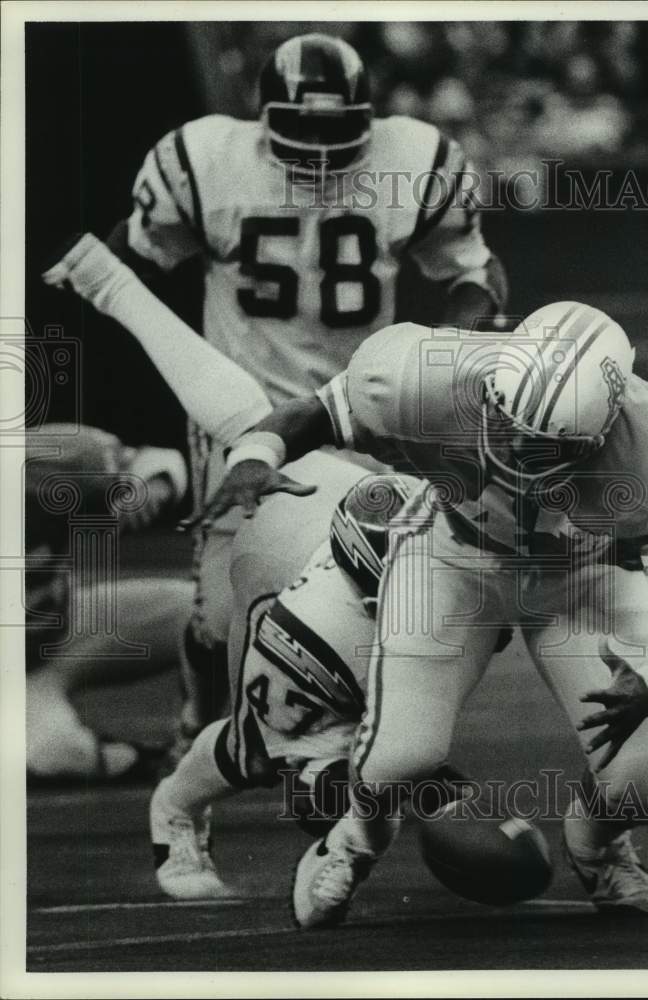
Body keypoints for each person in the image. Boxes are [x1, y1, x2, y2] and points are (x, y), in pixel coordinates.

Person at [44, 245, 648, 923]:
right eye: (505, 423)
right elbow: (315, 410)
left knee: (642, 780)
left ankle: (600, 844)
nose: (515, 449)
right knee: (387, 762)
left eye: (546, 446)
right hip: (457, 559)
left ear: (606, 429)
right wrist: (259, 451)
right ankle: (343, 839)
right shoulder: (434, 375)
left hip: (585, 576)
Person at [99, 31, 507, 747]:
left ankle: (365, 747)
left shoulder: (413, 159)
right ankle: (200, 714)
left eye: (335, 132)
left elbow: (474, 275)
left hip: (358, 412)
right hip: (241, 413)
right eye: (302, 131)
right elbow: (137, 248)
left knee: (379, 587)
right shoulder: (209, 161)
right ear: (263, 119)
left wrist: (451, 350)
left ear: (368, 119)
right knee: (222, 617)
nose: (319, 154)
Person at [150, 472, 486, 900]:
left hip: (340, 513)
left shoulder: (456, 552)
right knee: (264, 757)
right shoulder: (316, 620)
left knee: (399, 760)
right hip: (274, 561)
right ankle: (175, 806)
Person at [25, 423, 192, 782]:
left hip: (65, 628)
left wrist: (145, 487)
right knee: (58, 753)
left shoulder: (43, 458)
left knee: (208, 614)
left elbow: (162, 461)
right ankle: (133, 757)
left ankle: (222, 728)